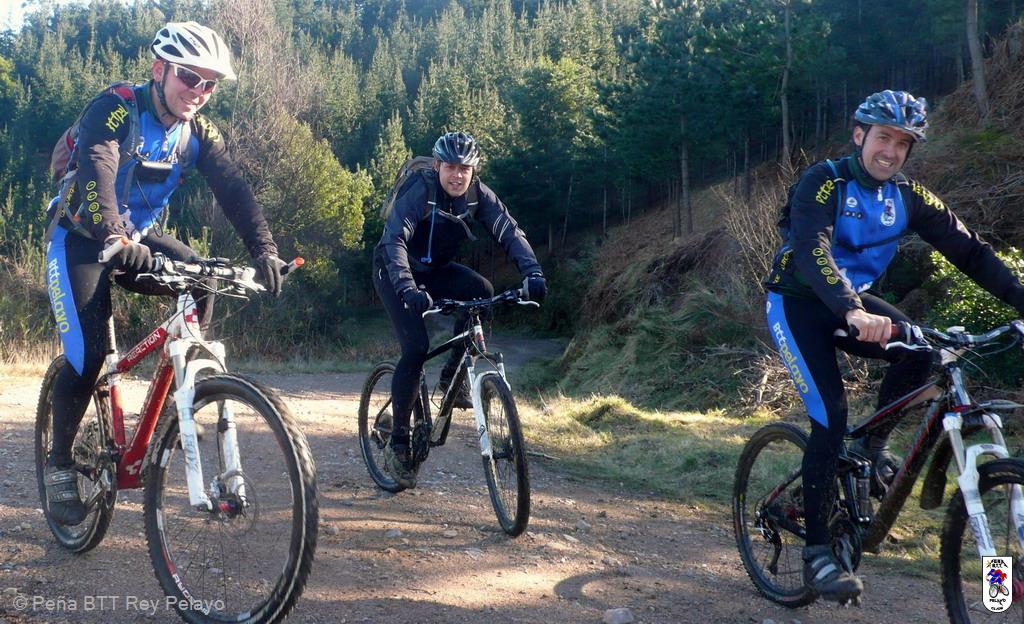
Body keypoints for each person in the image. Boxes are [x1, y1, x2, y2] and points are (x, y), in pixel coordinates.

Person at [764, 89, 1024, 602]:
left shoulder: (908, 197)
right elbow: (812, 248)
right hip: (798, 303)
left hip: (855, 305)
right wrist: (852, 310)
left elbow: (971, 253)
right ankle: (817, 555)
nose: (891, 151)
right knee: (830, 416)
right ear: (859, 135)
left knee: (925, 355)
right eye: (883, 137)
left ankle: (871, 446)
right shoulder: (825, 182)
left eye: (903, 143)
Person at [44, 22, 287, 526]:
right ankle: (60, 464)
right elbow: (97, 168)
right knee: (88, 356)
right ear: (159, 70)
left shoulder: (198, 133)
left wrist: (264, 250)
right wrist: (114, 235)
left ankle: (180, 402)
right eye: (189, 77)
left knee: (204, 279)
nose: (199, 91)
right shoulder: (115, 108)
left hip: (137, 236)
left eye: (209, 84)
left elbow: (233, 188)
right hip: (81, 238)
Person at [373, 131, 547, 488]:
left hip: (435, 270)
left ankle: (453, 375)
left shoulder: (477, 195)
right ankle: (399, 440)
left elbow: (510, 232)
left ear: (473, 170)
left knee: (482, 292)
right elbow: (395, 240)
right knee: (416, 348)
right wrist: (408, 288)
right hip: (393, 271)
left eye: (464, 169)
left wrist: (532, 272)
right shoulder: (420, 191)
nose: (457, 175)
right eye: (451, 167)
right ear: (438, 166)